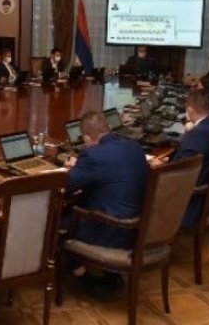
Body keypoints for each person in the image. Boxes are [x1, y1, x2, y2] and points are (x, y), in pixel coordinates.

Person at [63, 111, 149, 285]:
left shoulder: (92, 155)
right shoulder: (134, 146)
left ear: (86, 138)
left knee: (56, 222)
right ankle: (110, 276)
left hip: (111, 230)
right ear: (108, 128)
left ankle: (86, 279)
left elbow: (67, 186)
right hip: (138, 228)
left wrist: (76, 167)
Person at [156, 89, 209, 228]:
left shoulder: (195, 137)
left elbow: (178, 178)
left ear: (190, 110)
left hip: (190, 206)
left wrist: (159, 166)